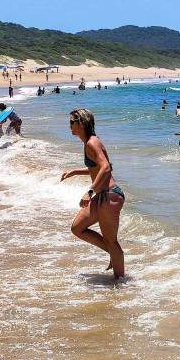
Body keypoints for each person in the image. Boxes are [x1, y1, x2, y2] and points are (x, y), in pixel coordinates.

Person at [60, 109, 125, 278]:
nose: (69, 126)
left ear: (81, 123)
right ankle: (113, 253)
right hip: (103, 194)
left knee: (111, 240)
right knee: (77, 228)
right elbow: (97, 168)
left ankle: (120, 284)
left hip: (109, 195)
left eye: (72, 122)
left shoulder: (92, 143)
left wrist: (90, 191)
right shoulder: (89, 142)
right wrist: (75, 171)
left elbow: (106, 167)